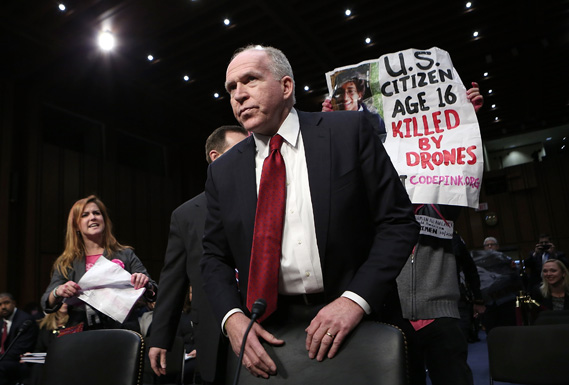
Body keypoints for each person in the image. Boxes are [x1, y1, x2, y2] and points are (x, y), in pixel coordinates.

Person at [200, 44, 419, 380]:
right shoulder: (223, 171)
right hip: (272, 332)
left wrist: (354, 301)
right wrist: (232, 318)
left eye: (250, 80)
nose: (239, 95)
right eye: (231, 88)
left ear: (286, 86)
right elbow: (213, 257)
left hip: (362, 318)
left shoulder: (350, 132)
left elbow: (398, 223)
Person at [149, 125, 248, 385]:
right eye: (240, 150)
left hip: (262, 322)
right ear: (216, 158)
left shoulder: (266, 199)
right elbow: (173, 280)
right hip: (212, 332)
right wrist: (160, 338)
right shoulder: (185, 215)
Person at [40, 195, 157, 330]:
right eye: (85, 215)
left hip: (122, 331)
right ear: (76, 226)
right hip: (82, 332)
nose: (93, 217)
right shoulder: (67, 262)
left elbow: (153, 290)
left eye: (97, 213)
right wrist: (58, 291)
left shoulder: (125, 254)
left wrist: (145, 283)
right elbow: (46, 303)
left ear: (104, 220)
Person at [0, 292, 38, 385]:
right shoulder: (2, 319)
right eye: (0, 304)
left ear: (14, 303)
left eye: (6, 303)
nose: (3, 307)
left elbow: (20, 349)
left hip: (19, 361)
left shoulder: (26, 320)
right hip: (4, 359)